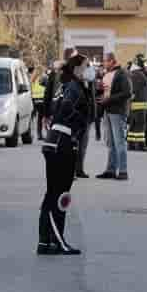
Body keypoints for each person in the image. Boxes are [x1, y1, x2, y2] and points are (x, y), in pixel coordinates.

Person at [38, 53, 91, 255]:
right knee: (60, 195)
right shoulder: (74, 87)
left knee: (52, 193)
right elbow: (67, 107)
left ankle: (45, 241)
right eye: (87, 66)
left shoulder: (66, 84)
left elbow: (54, 107)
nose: (89, 70)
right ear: (77, 68)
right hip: (62, 144)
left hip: (54, 141)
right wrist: (79, 122)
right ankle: (57, 241)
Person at [96, 52, 131, 180]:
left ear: (112, 61)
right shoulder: (106, 74)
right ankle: (110, 170)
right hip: (107, 111)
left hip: (117, 112)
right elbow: (106, 91)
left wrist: (109, 99)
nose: (104, 64)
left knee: (119, 142)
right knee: (110, 143)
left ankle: (123, 171)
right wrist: (100, 90)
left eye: (106, 61)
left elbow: (127, 93)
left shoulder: (121, 74)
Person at [74, 62, 97, 178]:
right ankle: (72, 170)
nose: (90, 71)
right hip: (77, 117)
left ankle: (79, 169)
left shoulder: (90, 82)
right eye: (87, 68)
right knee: (74, 145)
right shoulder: (75, 83)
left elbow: (92, 98)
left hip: (87, 117)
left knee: (83, 145)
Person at [127, 55, 147, 151]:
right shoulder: (138, 74)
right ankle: (140, 145)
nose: (145, 65)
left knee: (134, 126)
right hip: (139, 106)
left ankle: (131, 145)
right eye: (144, 63)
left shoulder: (135, 73)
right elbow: (134, 90)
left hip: (136, 105)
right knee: (140, 126)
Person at [31, 66, 46, 140]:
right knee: (41, 117)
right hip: (42, 99)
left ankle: (32, 133)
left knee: (32, 118)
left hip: (34, 99)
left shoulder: (32, 79)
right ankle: (40, 134)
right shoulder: (43, 78)